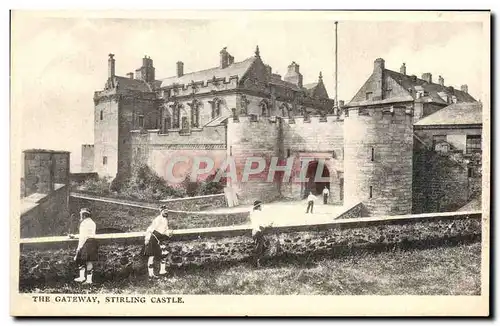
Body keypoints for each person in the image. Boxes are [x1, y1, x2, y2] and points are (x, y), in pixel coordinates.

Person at [68, 208, 98, 284]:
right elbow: (87, 234)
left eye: (81, 215)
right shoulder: (92, 222)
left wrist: (79, 248)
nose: (80, 216)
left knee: (80, 260)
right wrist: (75, 236)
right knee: (89, 261)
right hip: (93, 242)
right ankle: (89, 280)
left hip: (86, 243)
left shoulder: (84, 223)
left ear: (84, 215)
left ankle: (82, 277)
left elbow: (83, 237)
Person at [143, 205, 173, 278]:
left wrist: (169, 233)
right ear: (161, 211)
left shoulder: (165, 220)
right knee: (151, 256)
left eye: (167, 211)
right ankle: (151, 274)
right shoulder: (157, 219)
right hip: (154, 238)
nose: (166, 212)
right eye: (164, 211)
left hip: (161, 239)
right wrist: (147, 239)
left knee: (163, 254)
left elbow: (164, 230)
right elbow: (150, 229)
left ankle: (162, 271)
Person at [250, 200, 273, 268]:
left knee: (264, 246)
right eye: (261, 206)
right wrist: (269, 224)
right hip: (258, 232)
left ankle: (259, 263)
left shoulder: (253, 213)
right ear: (258, 206)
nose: (261, 207)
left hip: (255, 232)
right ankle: (256, 265)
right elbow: (262, 223)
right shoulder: (258, 213)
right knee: (259, 249)